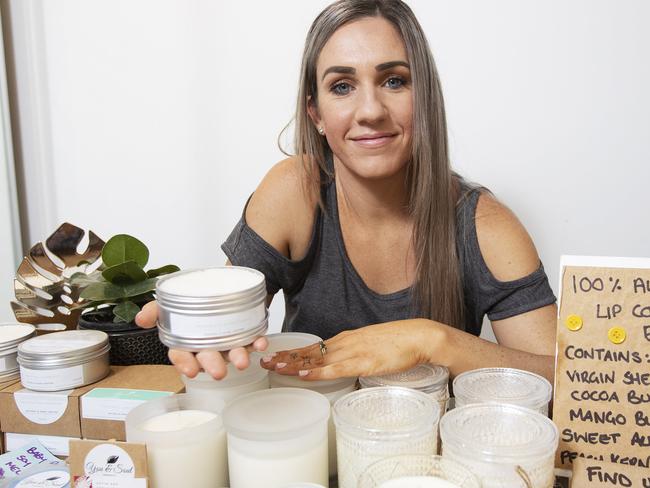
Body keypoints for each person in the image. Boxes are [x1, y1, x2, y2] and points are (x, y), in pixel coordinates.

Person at [136, 0, 557, 384]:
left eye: (394, 81)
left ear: (425, 97)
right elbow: (229, 323)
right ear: (315, 113)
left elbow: (566, 382)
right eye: (342, 86)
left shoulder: (485, 225)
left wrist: (431, 340)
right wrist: (201, 323)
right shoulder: (294, 191)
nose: (371, 111)